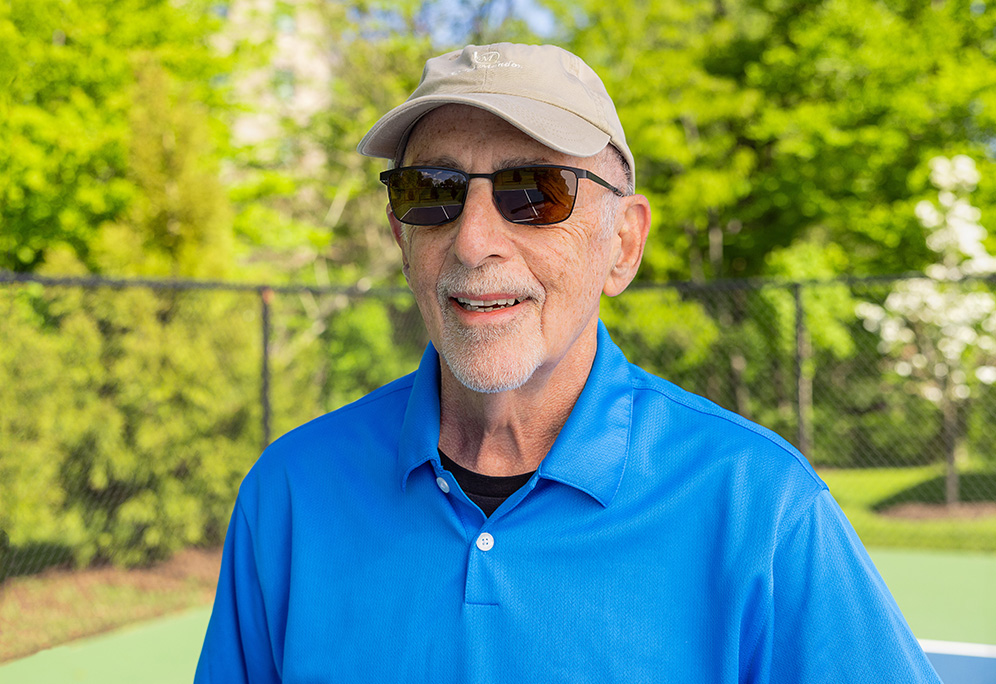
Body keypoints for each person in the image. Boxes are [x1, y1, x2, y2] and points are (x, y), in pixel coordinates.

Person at [195, 43, 941, 683]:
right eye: (435, 192)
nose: (473, 240)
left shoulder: (759, 508)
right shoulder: (289, 495)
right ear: (400, 236)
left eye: (534, 192)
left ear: (622, 243)